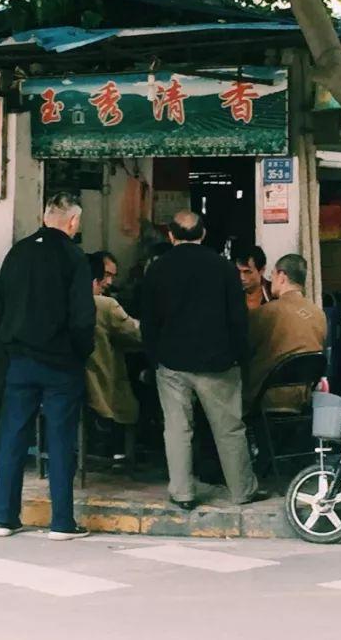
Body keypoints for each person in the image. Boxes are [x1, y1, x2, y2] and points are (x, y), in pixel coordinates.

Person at [141, 210, 267, 510]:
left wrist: (154, 357)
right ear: (203, 234)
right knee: (229, 429)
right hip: (218, 363)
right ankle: (242, 490)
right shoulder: (223, 267)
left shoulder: (157, 269)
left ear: (171, 235)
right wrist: (239, 356)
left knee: (177, 429)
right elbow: (238, 319)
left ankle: (183, 493)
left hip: (172, 363)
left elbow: (148, 320)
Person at [0, 192, 95, 540]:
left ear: (45, 216)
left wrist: (9, 346)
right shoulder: (74, 257)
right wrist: (81, 353)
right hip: (60, 363)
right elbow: (83, 317)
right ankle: (62, 522)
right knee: (61, 439)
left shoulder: (17, 252)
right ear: (73, 222)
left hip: (20, 360)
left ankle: (3, 518)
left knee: (12, 436)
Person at [244, 254, 327, 413]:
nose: (271, 281)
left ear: (282, 276)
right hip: (303, 397)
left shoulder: (267, 312)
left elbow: (244, 348)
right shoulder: (319, 315)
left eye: (272, 275)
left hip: (266, 396)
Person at [86, 252, 142, 431]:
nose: (109, 282)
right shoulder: (106, 305)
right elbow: (137, 334)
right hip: (102, 386)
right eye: (106, 275)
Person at [233, 245, 272, 310]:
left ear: (262, 270)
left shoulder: (274, 293)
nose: (242, 277)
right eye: (238, 271)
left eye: (247, 272)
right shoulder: (231, 293)